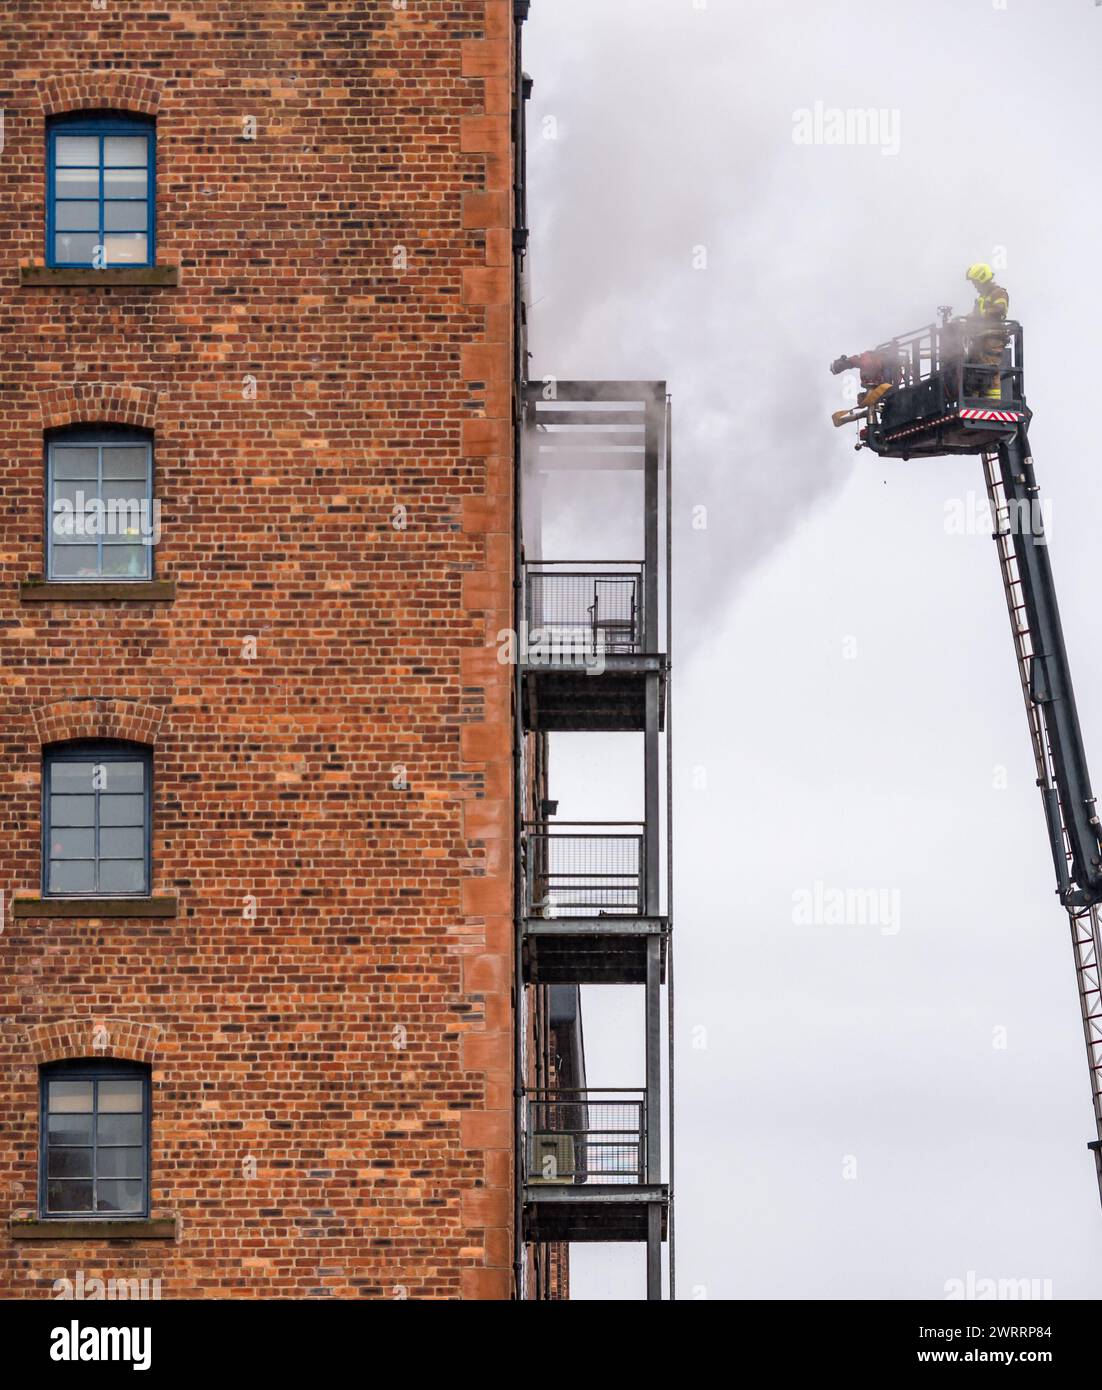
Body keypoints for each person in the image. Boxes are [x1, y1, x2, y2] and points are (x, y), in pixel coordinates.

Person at [963, 263, 1009, 400]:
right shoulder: (982, 298)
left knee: (990, 370)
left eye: (975, 282)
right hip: (980, 340)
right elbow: (975, 315)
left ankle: (993, 404)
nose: (975, 285)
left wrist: (980, 315)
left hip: (993, 339)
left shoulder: (998, 293)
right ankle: (975, 399)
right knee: (974, 371)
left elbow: (1000, 309)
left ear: (982, 278)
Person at [829, 349, 900, 427]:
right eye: (839, 370)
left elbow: (860, 362)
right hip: (882, 386)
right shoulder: (868, 360)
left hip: (883, 385)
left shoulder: (868, 360)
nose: (841, 369)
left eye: (839, 368)